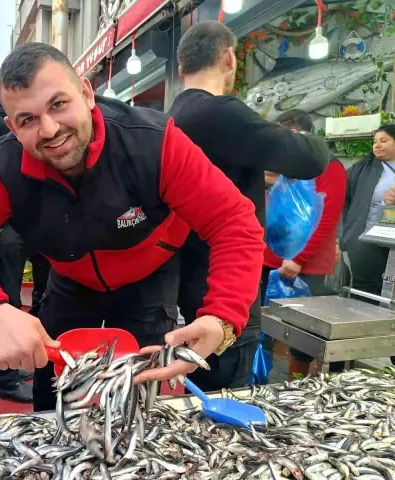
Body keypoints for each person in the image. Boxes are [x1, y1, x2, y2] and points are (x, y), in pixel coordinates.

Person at [0, 42, 266, 412]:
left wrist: (222, 316)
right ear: (12, 127)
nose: (49, 129)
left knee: (138, 398)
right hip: (70, 281)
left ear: (86, 93)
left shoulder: (154, 142)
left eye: (58, 104)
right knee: (53, 399)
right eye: (27, 119)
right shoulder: (6, 167)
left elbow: (234, 221)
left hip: (149, 278)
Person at [168, 21, 330, 391]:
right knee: (226, 378)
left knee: (198, 374)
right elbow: (310, 158)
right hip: (226, 275)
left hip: (186, 271)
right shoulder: (223, 114)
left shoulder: (171, 117)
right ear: (229, 59)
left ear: (180, 70)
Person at [261, 109, 347, 376]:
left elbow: (327, 219)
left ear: (297, 131)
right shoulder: (284, 168)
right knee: (264, 329)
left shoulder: (330, 167)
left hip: (306, 267)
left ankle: (300, 387)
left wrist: (299, 259)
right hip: (270, 262)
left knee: (305, 339)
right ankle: (260, 381)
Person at [0, 104, 42, 404]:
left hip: (12, 227)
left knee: (9, 298)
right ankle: (7, 379)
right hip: (7, 228)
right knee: (8, 302)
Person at [342, 124, 395, 365]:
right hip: (366, 238)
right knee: (365, 288)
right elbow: (344, 199)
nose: (377, 145)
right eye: (375, 141)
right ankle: (362, 343)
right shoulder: (361, 169)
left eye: (384, 140)